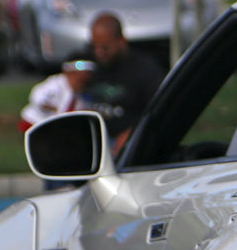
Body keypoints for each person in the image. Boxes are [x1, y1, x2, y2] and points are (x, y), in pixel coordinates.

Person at [79, 13, 164, 151]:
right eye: (95, 46)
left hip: (130, 143)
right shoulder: (89, 63)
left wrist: (131, 134)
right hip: (94, 140)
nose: (99, 52)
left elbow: (156, 112)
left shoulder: (144, 69)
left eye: (105, 47)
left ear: (122, 42)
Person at [19, 59, 96, 132]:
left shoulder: (79, 93)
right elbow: (38, 98)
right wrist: (56, 109)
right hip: (36, 122)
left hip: (55, 126)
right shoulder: (55, 84)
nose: (81, 84)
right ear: (69, 74)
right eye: (79, 80)